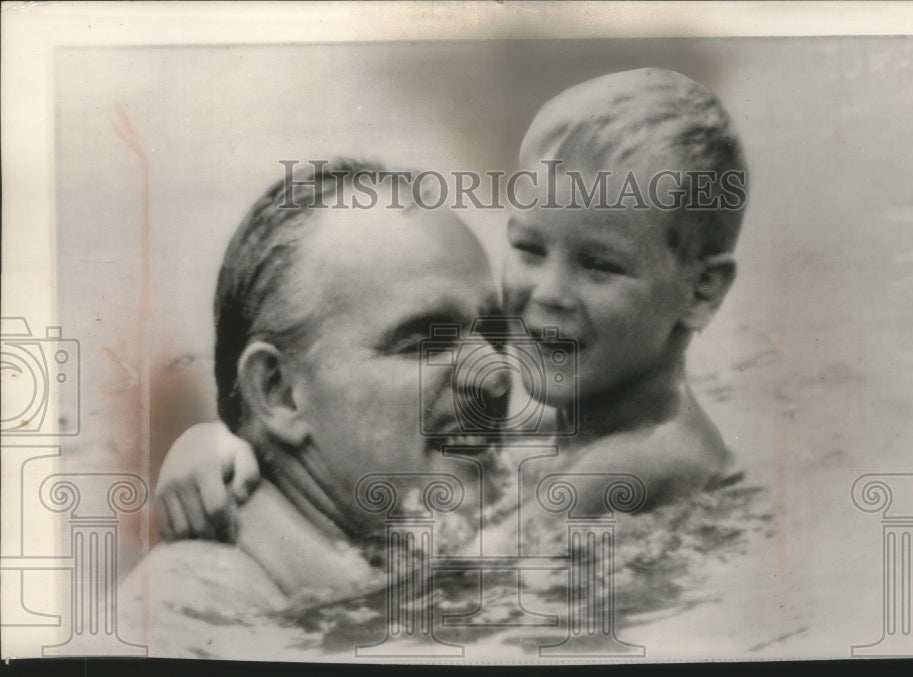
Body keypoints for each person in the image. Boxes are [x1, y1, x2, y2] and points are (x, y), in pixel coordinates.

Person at [156, 66, 748, 537]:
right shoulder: (573, 408)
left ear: (701, 292)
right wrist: (211, 444)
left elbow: (455, 580)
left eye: (598, 265)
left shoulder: (645, 457)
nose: (547, 292)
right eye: (529, 248)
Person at [120, 159, 510, 653]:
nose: (497, 376)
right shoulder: (183, 620)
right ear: (279, 392)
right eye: (424, 343)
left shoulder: (454, 541)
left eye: (495, 335)